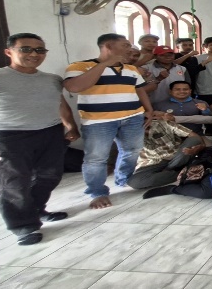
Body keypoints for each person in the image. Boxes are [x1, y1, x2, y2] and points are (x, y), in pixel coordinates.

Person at [0, 33, 79, 246]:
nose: (34, 54)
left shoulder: (51, 79)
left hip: (49, 132)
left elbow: (59, 103)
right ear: (9, 52)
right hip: (8, 136)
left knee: (49, 176)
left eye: (40, 50)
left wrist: (70, 125)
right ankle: (23, 226)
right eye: (26, 49)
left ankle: (36, 210)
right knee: (14, 184)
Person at [64, 33, 153, 209]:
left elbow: (139, 89)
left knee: (132, 150)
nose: (130, 49)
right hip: (98, 121)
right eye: (125, 45)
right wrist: (104, 64)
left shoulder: (131, 69)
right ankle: (97, 192)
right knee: (96, 158)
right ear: (108, 47)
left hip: (132, 117)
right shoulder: (80, 66)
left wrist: (148, 109)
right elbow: (74, 87)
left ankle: (124, 179)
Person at [127, 118, 206, 189]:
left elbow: (194, 136)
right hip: (151, 163)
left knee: (194, 140)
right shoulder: (129, 135)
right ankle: (183, 173)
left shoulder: (164, 123)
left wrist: (200, 147)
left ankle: (168, 173)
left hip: (176, 157)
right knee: (134, 182)